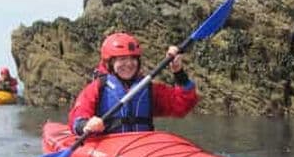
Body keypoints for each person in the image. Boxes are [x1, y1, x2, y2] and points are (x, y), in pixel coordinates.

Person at [68, 32, 198, 135]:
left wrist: (178, 72)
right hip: (107, 150)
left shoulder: (147, 88)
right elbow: (77, 117)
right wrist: (85, 125)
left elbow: (182, 105)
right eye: (122, 59)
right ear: (109, 63)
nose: (129, 64)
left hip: (140, 150)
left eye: (133, 59)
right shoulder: (97, 88)